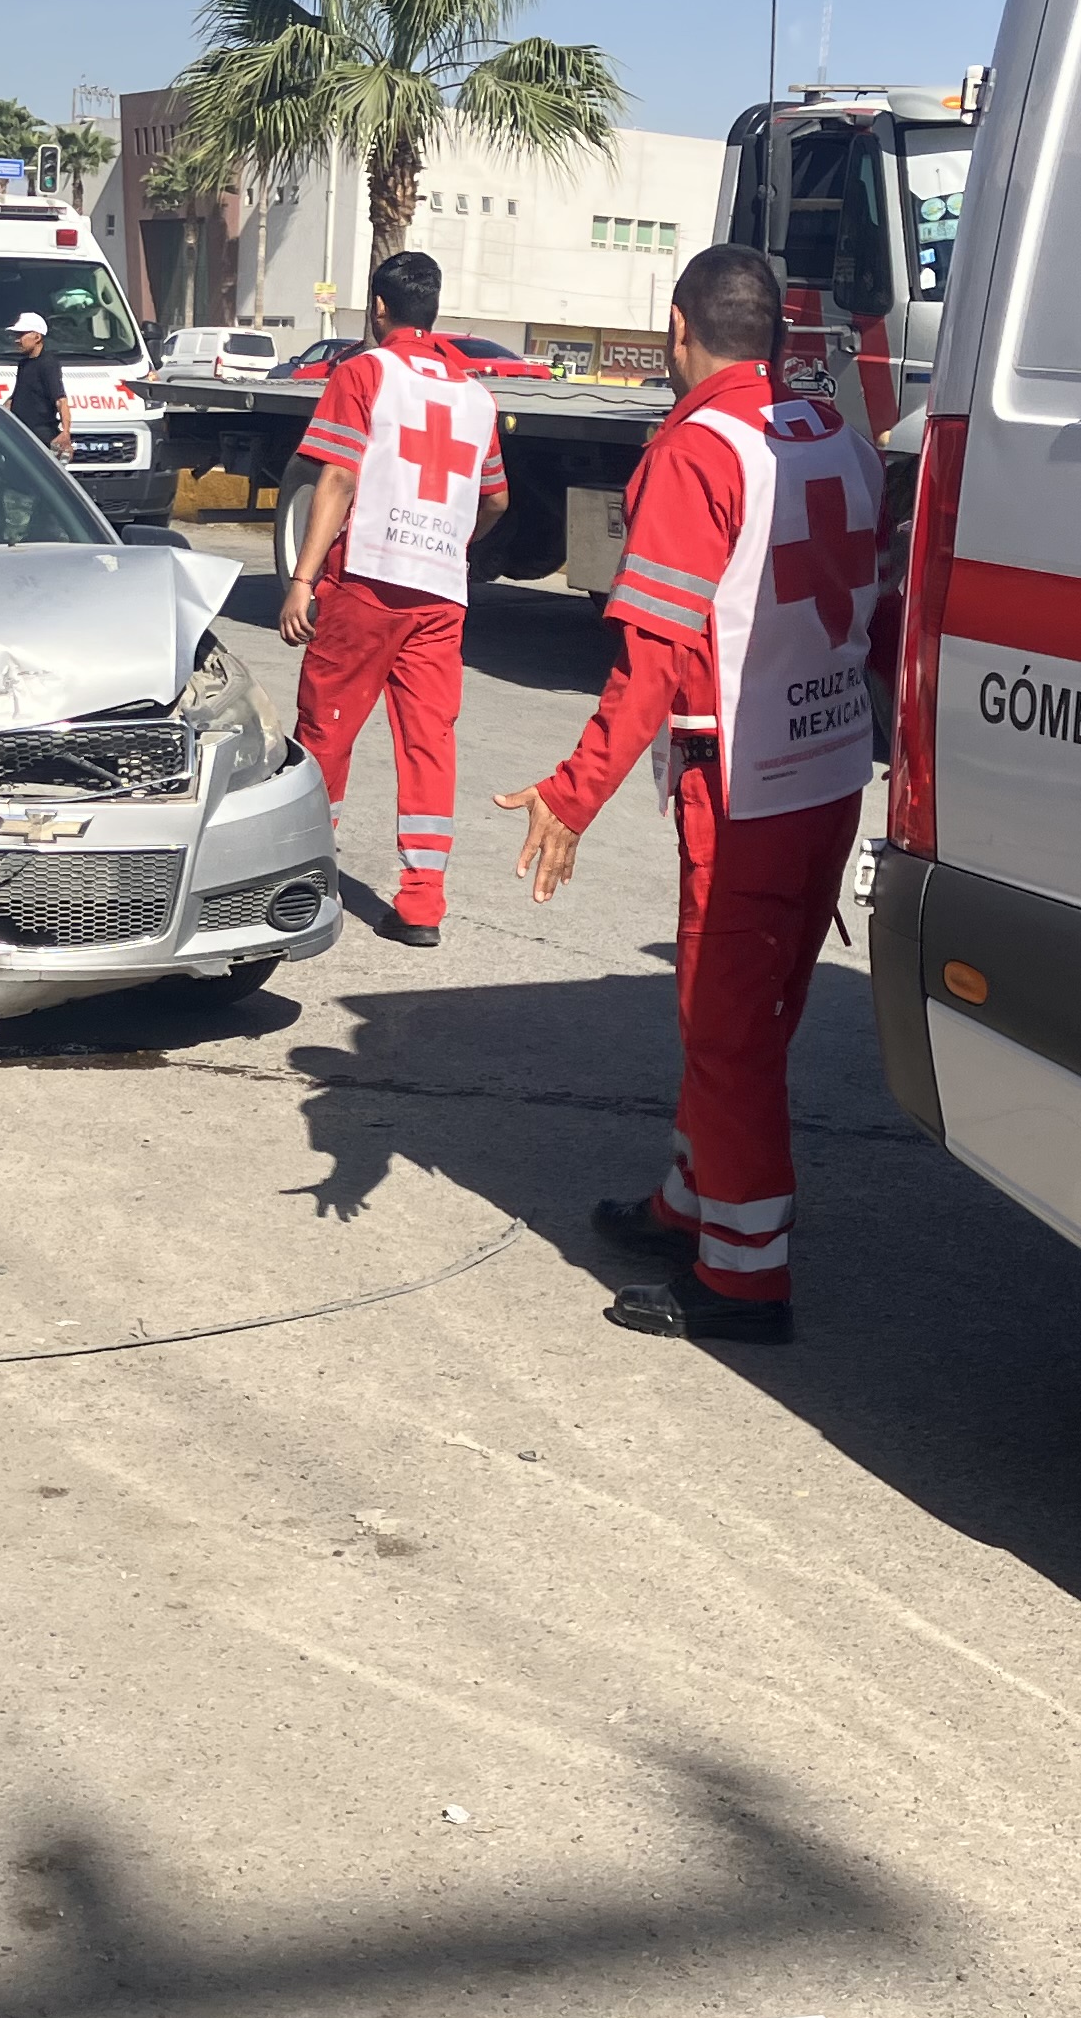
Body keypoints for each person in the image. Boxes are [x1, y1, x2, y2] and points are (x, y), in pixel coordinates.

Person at [490, 245, 891, 1345]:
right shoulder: (840, 438)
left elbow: (656, 657)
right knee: (751, 1015)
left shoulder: (698, 452)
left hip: (747, 783)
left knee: (725, 1031)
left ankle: (744, 1276)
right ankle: (695, 1199)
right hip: (829, 769)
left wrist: (573, 797)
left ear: (679, 330)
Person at [276, 248, 505, 946]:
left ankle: (306, 882)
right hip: (440, 593)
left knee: (326, 732)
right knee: (428, 741)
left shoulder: (364, 374)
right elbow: (495, 499)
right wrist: (449, 541)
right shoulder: (475, 394)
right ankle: (422, 904)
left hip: (367, 581)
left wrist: (301, 579)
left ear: (379, 309)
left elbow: (337, 481)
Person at [5, 310, 66, 450]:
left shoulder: (48, 363)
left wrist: (66, 433)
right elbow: (15, 398)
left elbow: (61, 400)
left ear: (37, 337)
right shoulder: (24, 364)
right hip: (20, 433)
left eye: (21, 335)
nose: (17, 340)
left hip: (41, 437)